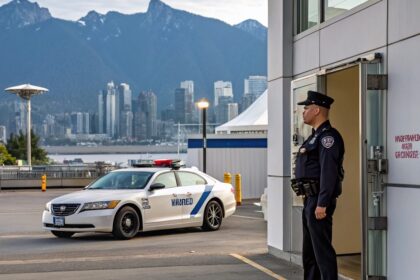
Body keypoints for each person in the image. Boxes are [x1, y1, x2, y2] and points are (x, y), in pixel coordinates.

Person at [293, 90, 345, 280]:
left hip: (318, 202)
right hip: (310, 200)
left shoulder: (328, 138)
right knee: (310, 253)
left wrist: (322, 203)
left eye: (306, 108)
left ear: (316, 110)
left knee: (322, 252)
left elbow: (328, 172)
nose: (303, 112)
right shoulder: (314, 137)